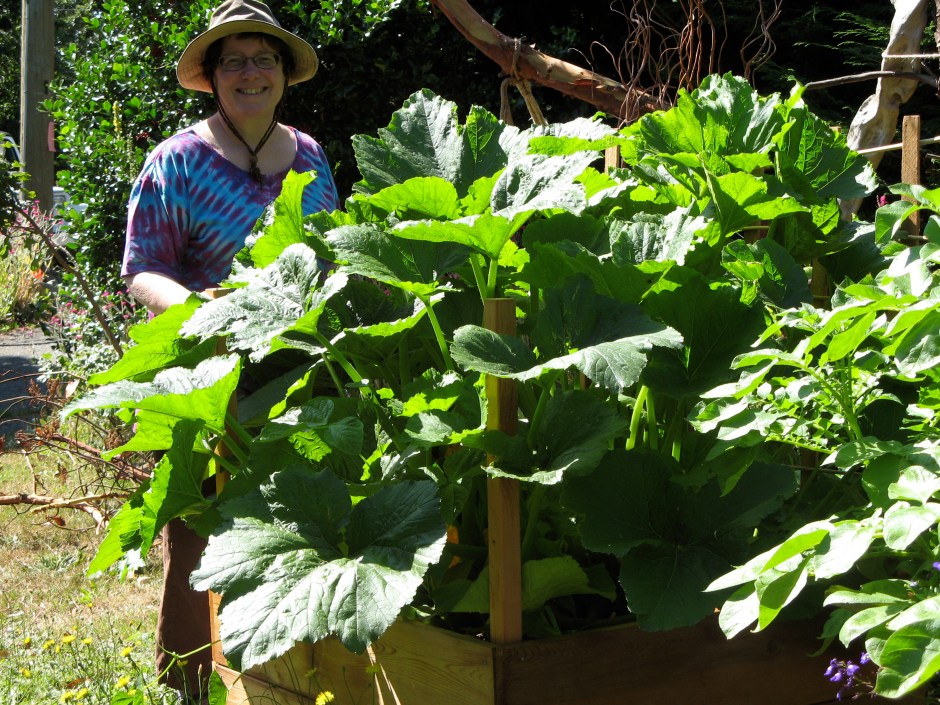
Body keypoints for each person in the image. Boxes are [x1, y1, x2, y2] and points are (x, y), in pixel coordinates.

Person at [120, 0, 340, 698]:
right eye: (235, 59)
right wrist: (197, 308)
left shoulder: (309, 154)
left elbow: (331, 251)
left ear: (283, 73)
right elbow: (141, 268)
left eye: (264, 58)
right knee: (195, 536)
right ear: (212, 77)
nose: (252, 72)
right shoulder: (176, 161)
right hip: (204, 363)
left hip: (297, 364)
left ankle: (293, 682)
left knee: (301, 525)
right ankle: (184, 688)